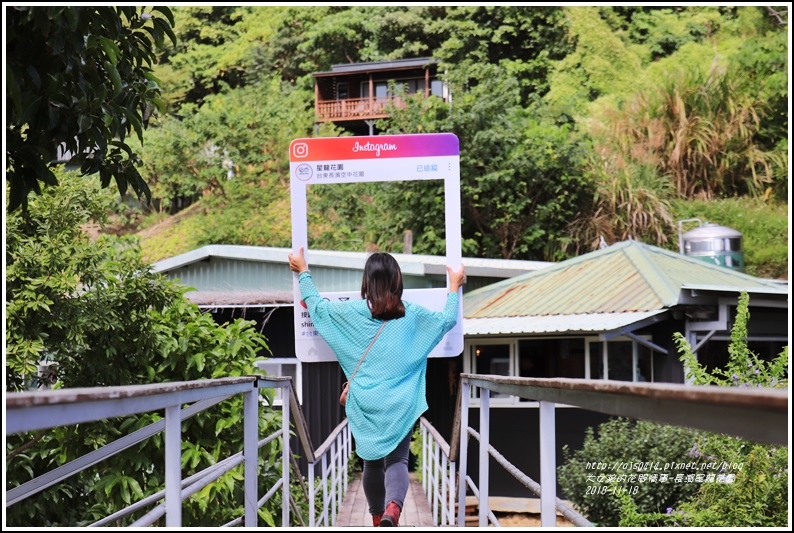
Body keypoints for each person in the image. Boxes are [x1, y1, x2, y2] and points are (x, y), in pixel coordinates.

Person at [288, 247, 466, 527]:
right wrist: (454, 285)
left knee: (371, 462)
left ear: (366, 282)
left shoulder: (351, 313)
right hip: (401, 402)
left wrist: (303, 271)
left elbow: (318, 308)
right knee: (397, 460)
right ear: (397, 281)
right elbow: (445, 321)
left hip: (366, 404)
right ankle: (392, 510)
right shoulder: (411, 315)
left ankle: (375, 517)